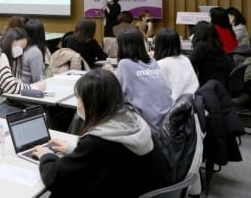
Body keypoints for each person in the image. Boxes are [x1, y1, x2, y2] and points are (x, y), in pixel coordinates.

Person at [33, 70, 171, 198]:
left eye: (79, 98)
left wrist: (46, 156)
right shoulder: (134, 121)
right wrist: (74, 150)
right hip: (140, 187)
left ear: (92, 103)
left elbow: (57, 178)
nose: (78, 103)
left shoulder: (98, 142)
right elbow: (109, 159)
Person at [0, 28, 46, 117]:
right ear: (12, 41)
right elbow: (11, 87)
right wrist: (35, 87)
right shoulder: (0, 56)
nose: (21, 50)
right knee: (40, 115)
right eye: (21, 46)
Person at [116, 27, 172, 130]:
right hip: (166, 121)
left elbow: (116, 94)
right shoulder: (152, 61)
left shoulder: (124, 64)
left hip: (148, 125)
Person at [153, 28, 199, 101]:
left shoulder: (160, 64)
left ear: (159, 45)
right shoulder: (185, 59)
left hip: (174, 106)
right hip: (192, 102)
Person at [189, 21, 234, 89]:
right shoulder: (216, 45)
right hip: (222, 85)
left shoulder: (202, 46)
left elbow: (188, 62)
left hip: (210, 88)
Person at [21, 19, 49, 84]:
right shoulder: (35, 52)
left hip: (21, 87)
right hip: (29, 89)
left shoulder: (22, 47)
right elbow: (37, 79)